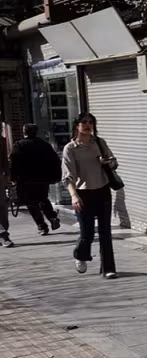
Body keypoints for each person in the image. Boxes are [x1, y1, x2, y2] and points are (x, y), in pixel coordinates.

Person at [62, 112, 117, 279]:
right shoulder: (70, 148)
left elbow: (113, 162)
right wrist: (74, 196)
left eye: (91, 122)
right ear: (77, 125)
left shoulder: (99, 142)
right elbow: (68, 176)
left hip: (103, 190)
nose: (88, 125)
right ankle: (81, 254)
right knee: (87, 233)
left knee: (105, 232)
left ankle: (108, 268)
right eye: (84, 122)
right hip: (83, 193)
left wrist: (109, 162)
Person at [10, 123, 62, 235]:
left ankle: (42, 226)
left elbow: (14, 163)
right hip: (43, 178)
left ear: (24, 132)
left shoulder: (19, 145)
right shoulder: (44, 145)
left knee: (31, 203)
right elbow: (55, 160)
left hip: (26, 179)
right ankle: (52, 217)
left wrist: (13, 178)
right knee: (43, 199)